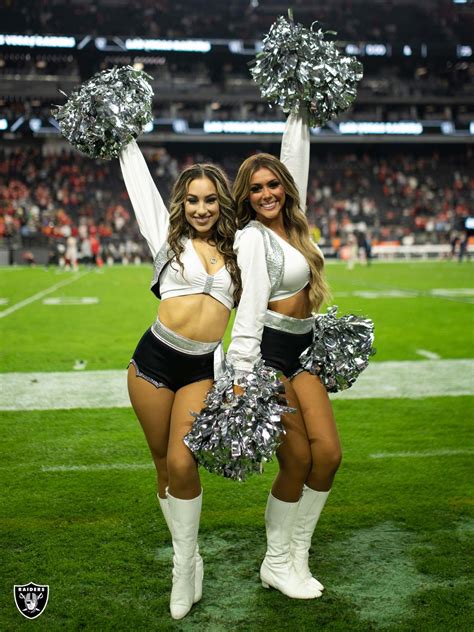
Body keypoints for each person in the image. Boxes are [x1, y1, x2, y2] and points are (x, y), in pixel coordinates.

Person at [119, 141, 241, 619]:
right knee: (162, 466)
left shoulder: (240, 247)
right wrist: (124, 134)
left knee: (183, 463)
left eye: (210, 199)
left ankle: (184, 564)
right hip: (152, 361)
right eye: (193, 200)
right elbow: (141, 187)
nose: (202, 208)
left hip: (200, 366)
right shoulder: (166, 237)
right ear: (182, 203)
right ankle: (188, 563)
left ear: (222, 202)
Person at [227, 112, 340, 599]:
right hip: (270, 352)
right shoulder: (252, 238)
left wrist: (300, 110)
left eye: (274, 184)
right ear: (246, 197)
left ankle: (297, 553)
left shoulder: (295, 228)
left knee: (329, 456)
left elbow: (297, 158)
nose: (267, 193)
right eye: (256, 189)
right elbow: (250, 307)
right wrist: (240, 375)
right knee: (295, 459)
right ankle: (276, 563)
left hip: (305, 347)